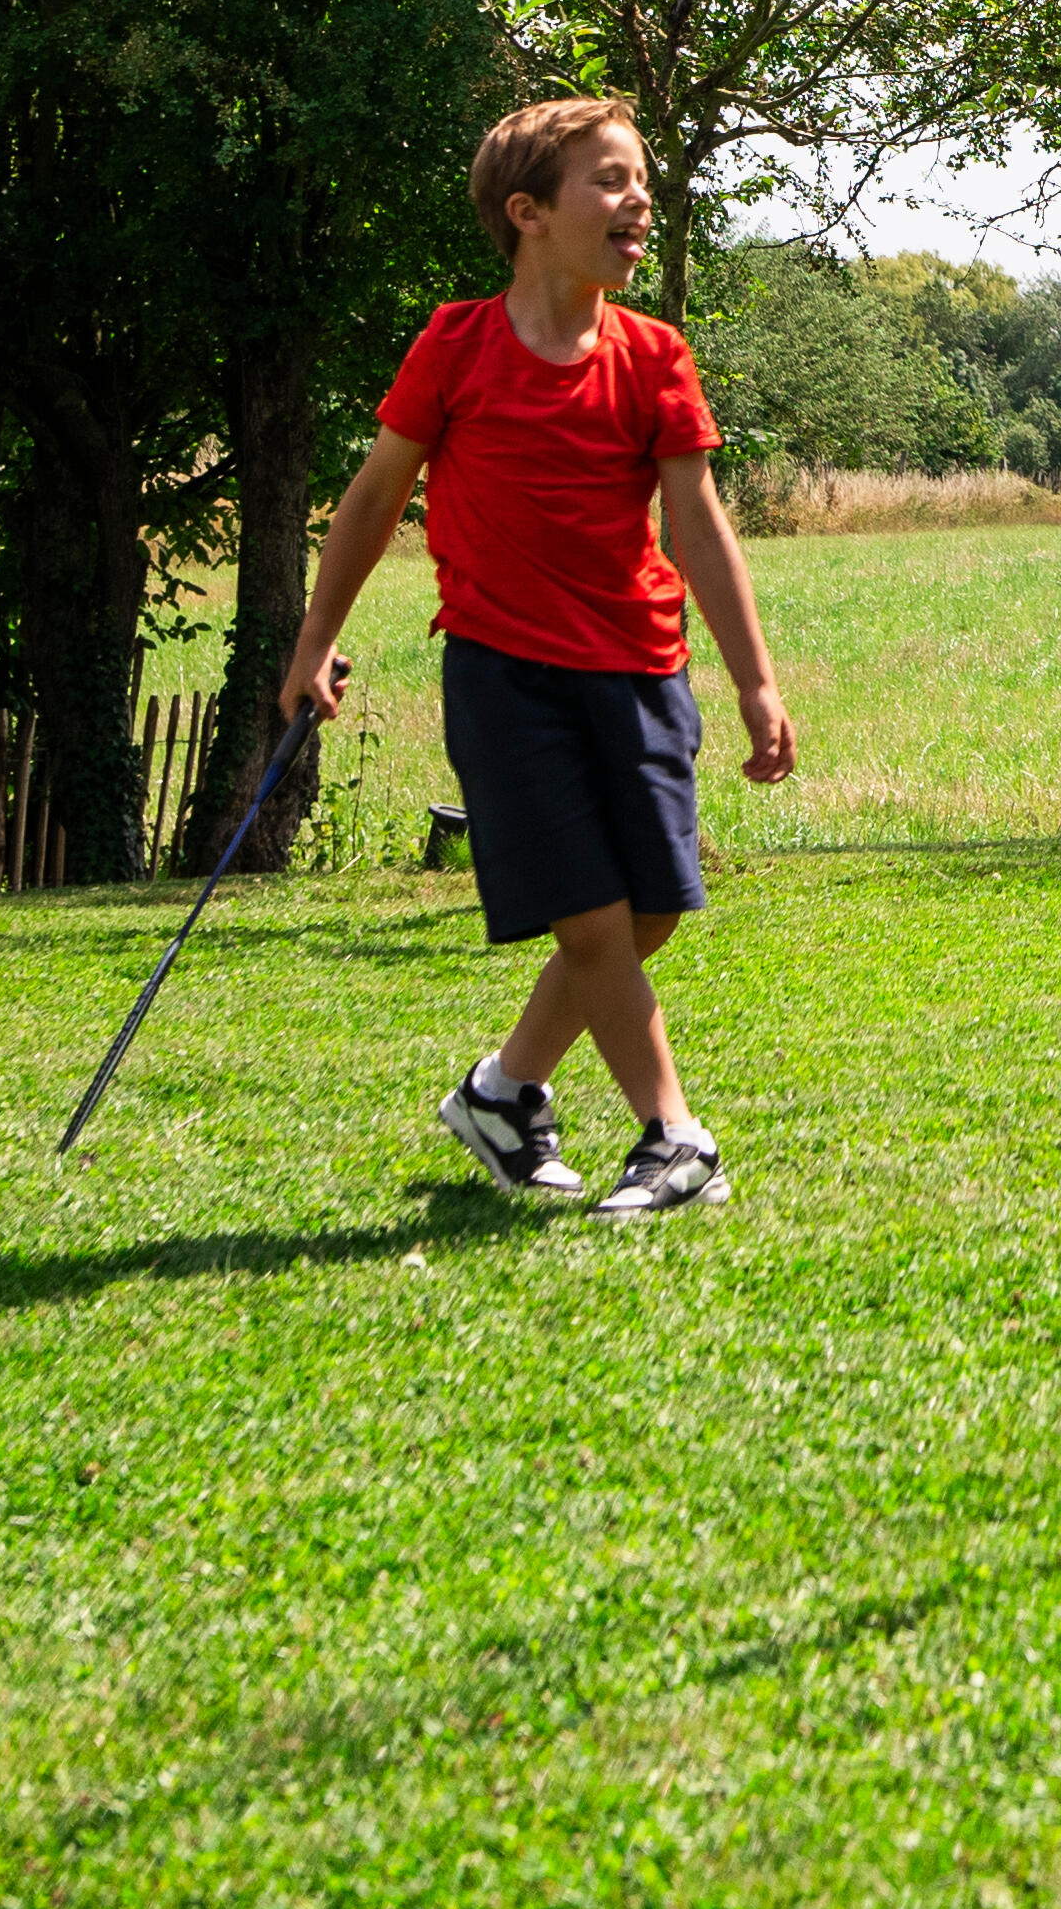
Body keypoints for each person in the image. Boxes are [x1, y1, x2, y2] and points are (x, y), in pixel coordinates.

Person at [277, 94, 799, 1222]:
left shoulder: (656, 356)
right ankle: (673, 1134)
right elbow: (375, 497)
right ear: (529, 213)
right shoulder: (455, 345)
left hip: (642, 669)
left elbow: (698, 525)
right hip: (505, 675)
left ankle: (503, 1090)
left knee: (649, 906)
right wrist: (314, 640)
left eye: (641, 178)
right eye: (608, 178)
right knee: (591, 917)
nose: (637, 197)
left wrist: (755, 678)